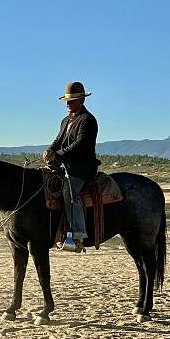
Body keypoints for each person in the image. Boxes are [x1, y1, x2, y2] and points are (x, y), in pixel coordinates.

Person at [42, 81, 99, 252]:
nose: (68, 104)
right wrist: (50, 150)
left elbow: (80, 144)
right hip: (65, 165)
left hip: (82, 168)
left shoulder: (87, 120)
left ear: (81, 100)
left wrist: (58, 154)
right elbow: (58, 140)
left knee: (69, 190)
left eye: (72, 100)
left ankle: (77, 235)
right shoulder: (65, 121)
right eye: (67, 101)